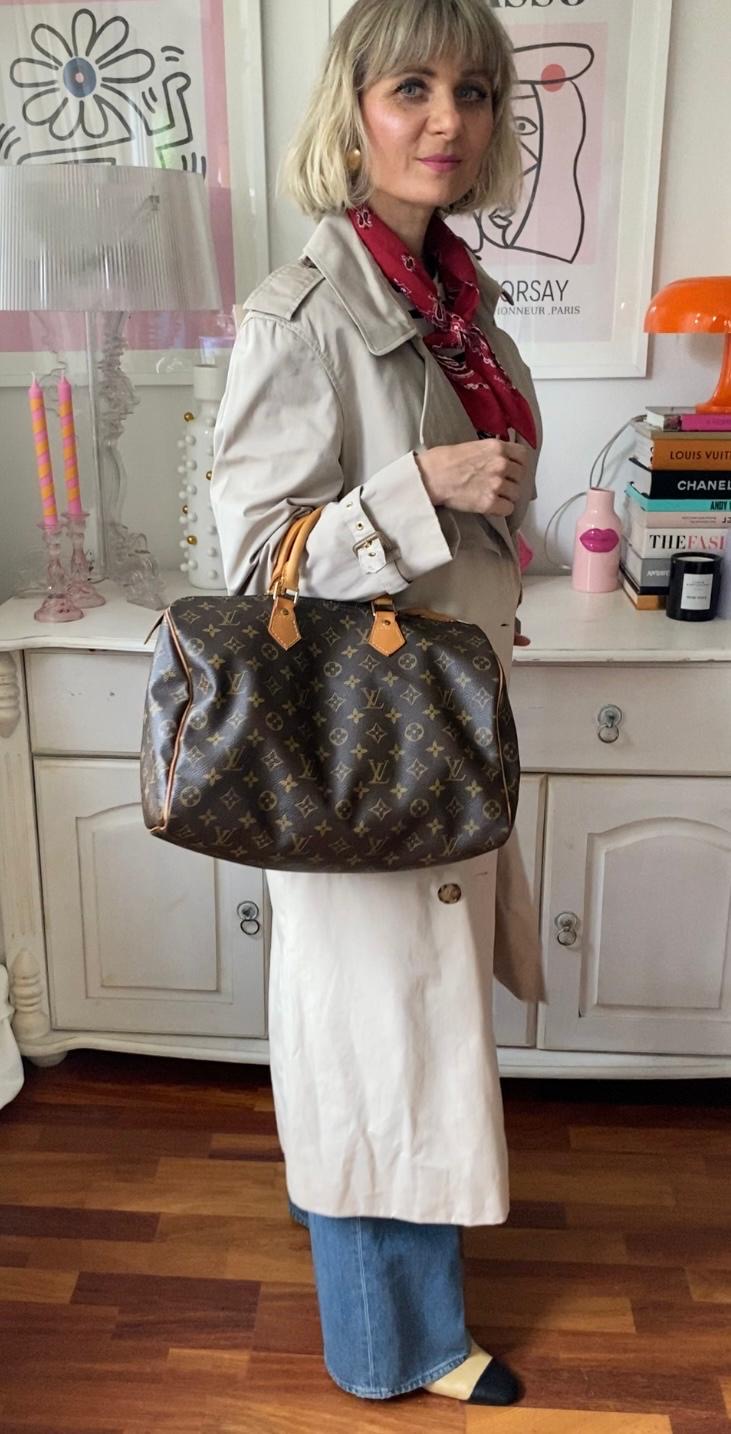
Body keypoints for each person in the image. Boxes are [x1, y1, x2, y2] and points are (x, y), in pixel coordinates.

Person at [210, 0, 544, 1406]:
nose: (447, 120)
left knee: (404, 1040)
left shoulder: (453, 304)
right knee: (375, 1054)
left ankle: (392, 1298)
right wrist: (426, 487)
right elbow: (253, 565)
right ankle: (394, 1350)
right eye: (412, 88)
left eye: (474, 91)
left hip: (435, 736)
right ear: (353, 111)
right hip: (360, 747)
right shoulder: (301, 315)